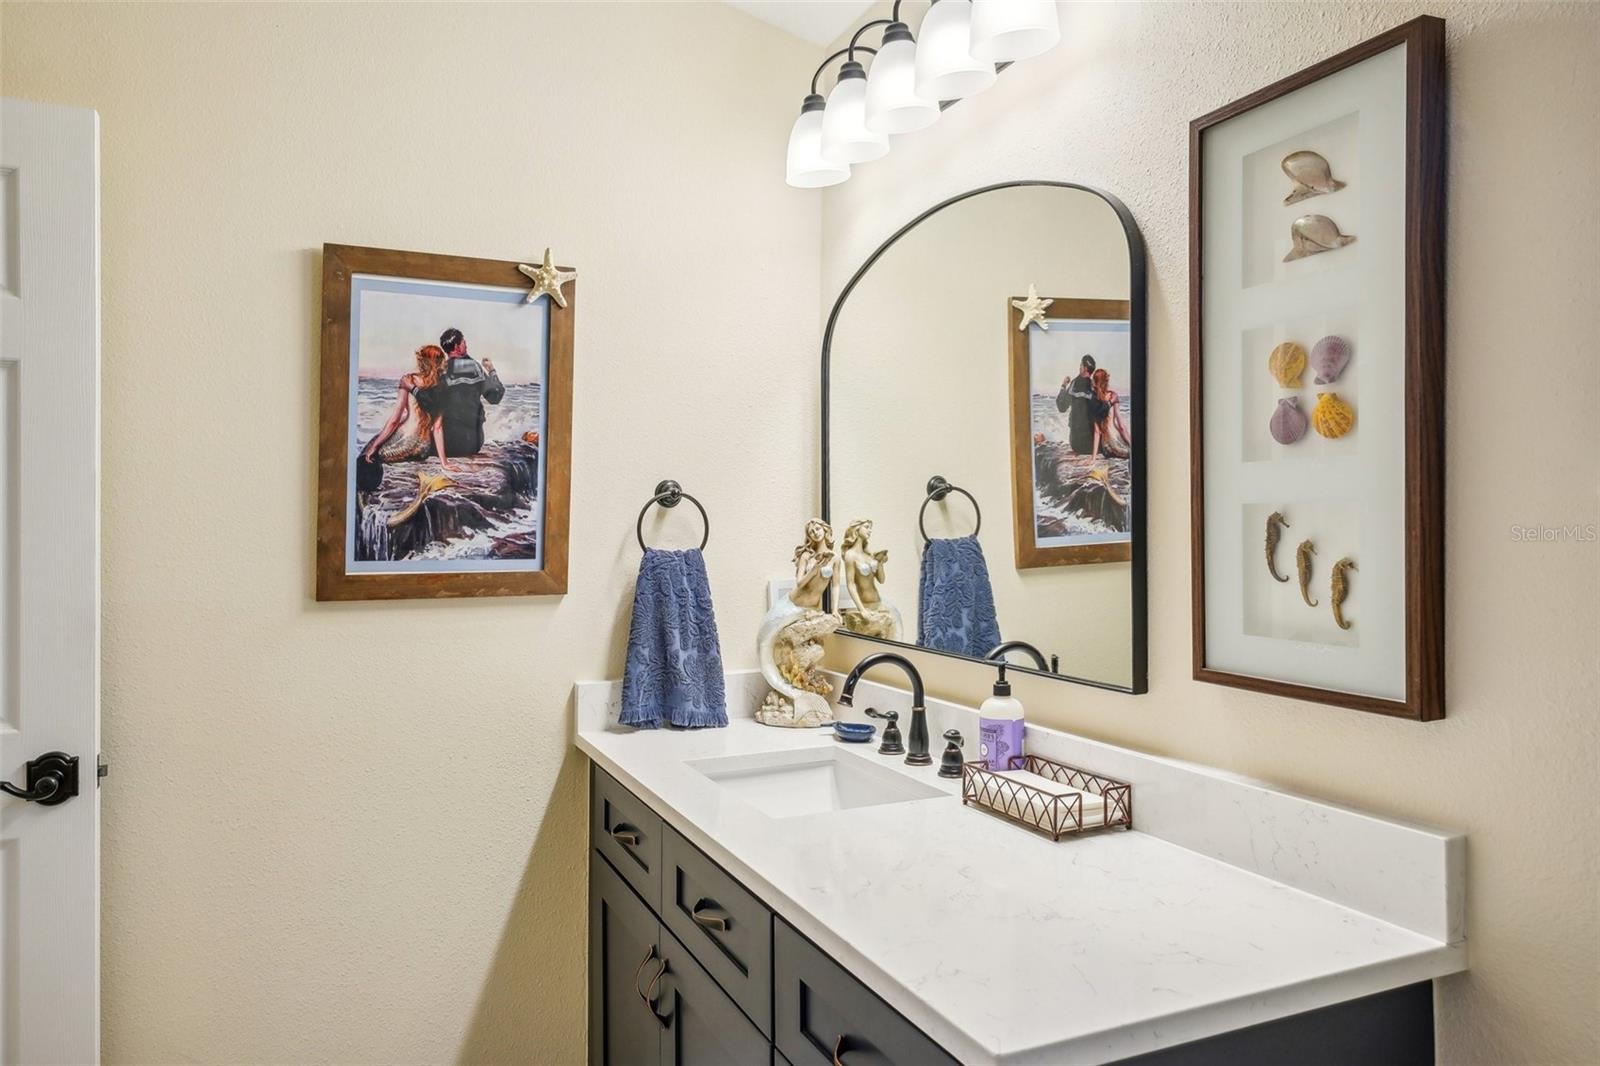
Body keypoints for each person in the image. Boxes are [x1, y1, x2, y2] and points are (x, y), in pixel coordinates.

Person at [413, 327, 505, 465]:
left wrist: (413, 389)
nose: (466, 345)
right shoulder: (474, 367)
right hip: (474, 443)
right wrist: (491, 370)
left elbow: (428, 403)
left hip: (446, 444)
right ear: (456, 346)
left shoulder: (441, 371)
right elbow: (495, 397)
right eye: (463, 342)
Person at [361, 345, 448, 464]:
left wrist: (375, 446)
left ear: (423, 362)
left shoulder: (408, 380)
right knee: (374, 445)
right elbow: (438, 428)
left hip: (408, 440)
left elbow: (394, 421)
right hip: (424, 447)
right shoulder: (442, 386)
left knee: (371, 453)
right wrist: (444, 463)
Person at [1055, 355, 1108, 456]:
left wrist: (1063, 385)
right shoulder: (1094, 387)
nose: (1079, 367)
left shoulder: (1074, 384)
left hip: (1076, 444)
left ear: (1085, 369)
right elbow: (1103, 412)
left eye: (1080, 365)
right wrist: (1106, 402)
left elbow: (1061, 407)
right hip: (1093, 445)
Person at [1090, 367, 1132, 459]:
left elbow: (1097, 432)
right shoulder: (1113, 396)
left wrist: (1093, 458)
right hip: (1115, 441)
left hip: (1106, 448)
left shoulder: (1094, 401)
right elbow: (1120, 426)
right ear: (1106, 382)